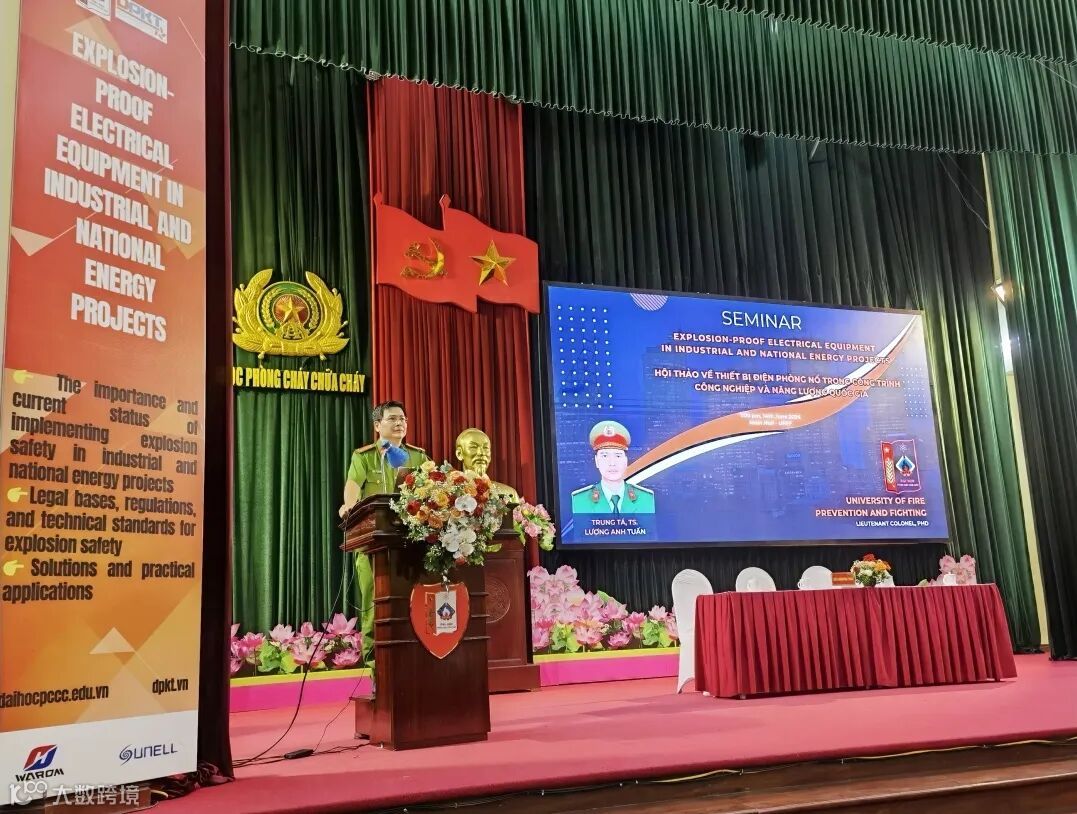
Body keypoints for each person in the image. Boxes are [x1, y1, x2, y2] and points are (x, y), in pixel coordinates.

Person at [339, 401, 429, 661]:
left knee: (413, 601)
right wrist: (349, 506)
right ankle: (374, 662)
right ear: (378, 425)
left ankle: (412, 658)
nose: (400, 423)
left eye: (403, 418)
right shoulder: (365, 457)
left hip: (410, 543)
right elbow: (352, 488)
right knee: (374, 603)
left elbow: (432, 487)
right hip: (373, 544)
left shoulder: (418, 457)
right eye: (392, 419)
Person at [571, 420, 655, 514]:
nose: (612, 463)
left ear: (626, 460)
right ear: (596, 461)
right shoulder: (580, 501)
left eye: (618, 456)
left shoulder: (645, 499)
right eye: (605, 456)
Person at [454, 427, 520, 502]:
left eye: (485, 448)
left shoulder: (509, 494)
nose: (481, 453)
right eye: (473, 447)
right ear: (459, 454)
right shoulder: (449, 494)